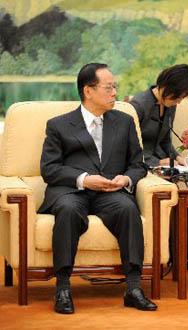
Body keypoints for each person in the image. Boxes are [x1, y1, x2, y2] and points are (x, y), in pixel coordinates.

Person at [39, 63, 156, 314]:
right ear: (88, 91)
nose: (115, 93)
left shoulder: (124, 121)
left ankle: (134, 288)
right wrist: (83, 179)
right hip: (72, 190)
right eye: (109, 87)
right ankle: (62, 288)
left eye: (115, 87)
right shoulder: (59, 125)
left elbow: (138, 165)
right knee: (69, 210)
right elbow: (49, 169)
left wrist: (125, 180)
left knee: (128, 209)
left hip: (110, 192)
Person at [130, 64, 188, 269]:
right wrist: (157, 163)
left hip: (165, 166)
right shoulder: (139, 105)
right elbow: (131, 147)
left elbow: (165, 141)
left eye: (182, 98)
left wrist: (177, 158)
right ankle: (173, 252)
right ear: (166, 85)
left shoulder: (170, 105)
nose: (178, 102)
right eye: (177, 96)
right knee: (180, 197)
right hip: (143, 166)